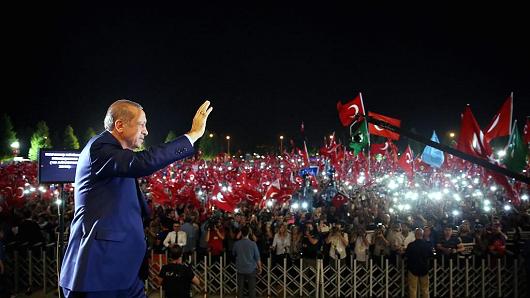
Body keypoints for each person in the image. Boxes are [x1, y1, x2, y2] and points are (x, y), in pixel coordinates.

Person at [59, 99, 213, 297]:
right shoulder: (99, 149)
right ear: (120, 125)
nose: (146, 131)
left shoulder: (116, 155)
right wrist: (192, 136)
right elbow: (143, 162)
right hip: (99, 274)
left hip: (124, 273)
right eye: (142, 124)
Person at [233, 226, 262, 298]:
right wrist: (260, 267)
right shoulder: (253, 244)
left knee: (240, 289)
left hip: (240, 268)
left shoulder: (237, 244)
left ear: (241, 233)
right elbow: (257, 257)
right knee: (252, 289)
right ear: (249, 233)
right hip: (251, 269)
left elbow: (234, 253)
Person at [405, 228, 433, 298]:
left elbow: (406, 255)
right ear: (422, 234)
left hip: (412, 269)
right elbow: (431, 255)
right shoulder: (427, 245)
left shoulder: (411, 245)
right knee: (425, 289)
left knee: (412, 289)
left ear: (415, 234)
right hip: (424, 268)